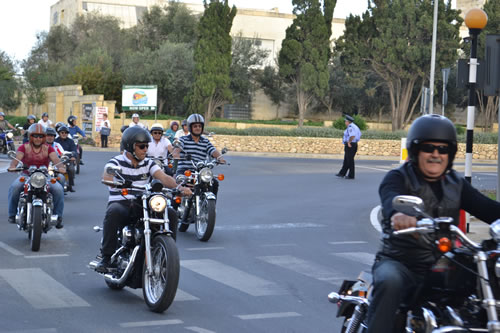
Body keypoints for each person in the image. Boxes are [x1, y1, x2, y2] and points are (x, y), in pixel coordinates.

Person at [366, 114, 500, 333]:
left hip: (444, 264)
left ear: (451, 153)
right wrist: (400, 214)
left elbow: (487, 208)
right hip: (402, 262)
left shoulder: (456, 184)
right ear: (416, 150)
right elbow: (391, 198)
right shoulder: (397, 178)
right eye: (429, 148)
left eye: (443, 149)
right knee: (389, 281)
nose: (436, 154)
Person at [94, 126, 192, 272]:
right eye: (141, 146)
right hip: (122, 202)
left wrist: (179, 188)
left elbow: (163, 177)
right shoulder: (116, 162)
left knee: (170, 212)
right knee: (113, 211)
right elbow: (107, 175)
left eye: (147, 146)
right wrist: (113, 181)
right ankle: (106, 257)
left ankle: (168, 254)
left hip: (143, 202)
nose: (145, 149)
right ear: (130, 146)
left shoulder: (148, 163)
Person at [7, 124, 66, 229]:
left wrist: (61, 167)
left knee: (58, 189)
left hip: (45, 175)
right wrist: (13, 166)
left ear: (44, 137)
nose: (38, 138)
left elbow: (57, 161)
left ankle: (58, 217)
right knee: (15, 187)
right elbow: (16, 160)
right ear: (30, 136)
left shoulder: (48, 148)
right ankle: (12, 214)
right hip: (26, 175)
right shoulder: (24, 147)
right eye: (35, 136)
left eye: (40, 136)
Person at [172, 113, 226, 197]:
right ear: (190, 127)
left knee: (214, 182)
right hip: (185, 171)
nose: (198, 128)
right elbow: (177, 149)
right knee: (178, 184)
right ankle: (175, 206)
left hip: (199, 172)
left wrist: (220, 157)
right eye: (195, 126)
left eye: (199, 126)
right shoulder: (183, 139)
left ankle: (210, 207)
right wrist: (176, 153)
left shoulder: (205, 141)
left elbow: (213, 150)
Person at [335, 115, 361, 179]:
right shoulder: (355, 126)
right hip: (353, 144)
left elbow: (352, 135)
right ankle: (342, 173)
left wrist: (349, 142)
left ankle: (351, 175)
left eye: (345, 121)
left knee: (350, 160)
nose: (345, 122)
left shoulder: (350, 127)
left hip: (350, 145)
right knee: (346, 160)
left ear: (348, 122)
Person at [55, 125, 77, 192]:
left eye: (66, 133)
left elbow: (74, 150)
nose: (64, 134)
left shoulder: (71, 141)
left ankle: (70, 185)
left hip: (67, 160)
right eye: (62, 132)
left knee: (71, 169)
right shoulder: (56, 141)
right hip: (56, 160)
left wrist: (73, 156)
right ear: (59, 133)